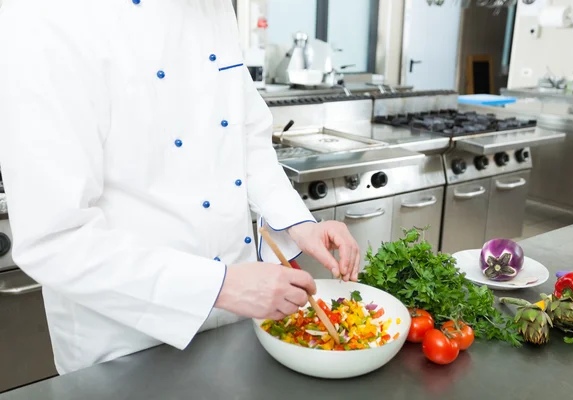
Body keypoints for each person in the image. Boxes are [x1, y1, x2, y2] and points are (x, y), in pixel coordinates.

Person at [0, 0, 360, 375]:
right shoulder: (42, 15)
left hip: (235, 327)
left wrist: (300, 225)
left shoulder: (214, 7)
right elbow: (55, 239)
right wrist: (221, 287)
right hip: (123, 346)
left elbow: (246, 138)